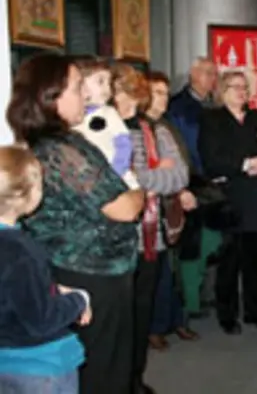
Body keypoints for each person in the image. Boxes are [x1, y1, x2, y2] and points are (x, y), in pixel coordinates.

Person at [7, 54, 144, 394]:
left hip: (78, 271)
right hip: (92, 274)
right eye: (77, 87)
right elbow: (124, 207)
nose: (86, 95)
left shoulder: (48, 144)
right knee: (104, 371)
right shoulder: (62, 150)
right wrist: (139, 189)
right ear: (52, 96)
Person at [112, 63, 188, 393]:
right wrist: (151, 178)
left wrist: (137, 181)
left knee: (141, 316)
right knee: (115, 321)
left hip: (150, 239)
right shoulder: (100, 129)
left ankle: (134, 379)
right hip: (112, 243)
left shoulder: (155, 131)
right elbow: (109, 184)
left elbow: (179, 177)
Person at [0, 146, 92, 393]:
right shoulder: (20, 251)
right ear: (25, 196)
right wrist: (79, 300)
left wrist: (53, 288)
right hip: (38, 366)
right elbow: (41, 319)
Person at [198, 71, 257, 334]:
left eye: (245, 87)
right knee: (229, 261)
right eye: (235, 87)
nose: (242, 92)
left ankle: (254, 312)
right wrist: (245, 164)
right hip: (230, 198)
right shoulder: (213, 120)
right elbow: (211, 158)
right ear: (223, 91)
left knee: (254, 260)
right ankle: (227, 315)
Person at [145, 70, 200, 349]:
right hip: (151, 210)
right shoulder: (140, 129)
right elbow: (148, 173)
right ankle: (156, 326)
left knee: (174, 267)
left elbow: (180, 166)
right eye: (156, 93)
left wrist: (180, 187)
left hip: (172, 204)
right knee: (159, 271)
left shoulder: (167, 126)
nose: (163, 99)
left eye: (165, 93)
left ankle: (175, 320)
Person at [167, 57, 221, 319]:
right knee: (192, 244)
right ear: (193, 75)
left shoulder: (210, 106)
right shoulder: (179, 108)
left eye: (215, 74)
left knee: (211, 241)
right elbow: (184, 149)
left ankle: (203, 294)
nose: (214, 79)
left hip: (210, 183)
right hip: (190, 182)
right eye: (209, 73)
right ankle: (190, 300)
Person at [71, 56, 139, 189]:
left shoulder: (109, 114)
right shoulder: (72, 117)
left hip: (115, 178)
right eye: (100, 82)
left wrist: (115, 172)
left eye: (109, 83)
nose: (107, 89)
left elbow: (124, 143)